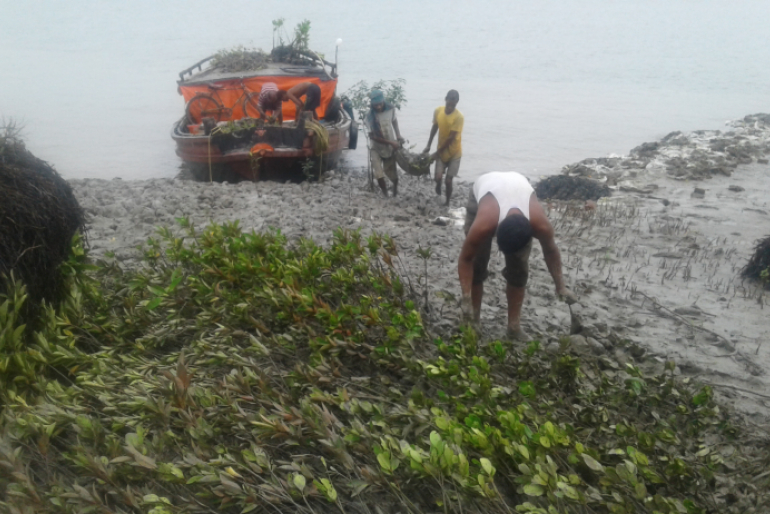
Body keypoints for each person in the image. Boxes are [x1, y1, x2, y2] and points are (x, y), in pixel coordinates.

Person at [458, 171, 578, 340]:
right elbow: (465, 259)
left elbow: (551, 250)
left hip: (518, 186)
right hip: (486, 188)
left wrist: (561, 286)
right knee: (477, 263)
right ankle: (474, 320)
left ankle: (513, 328)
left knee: (519, 269)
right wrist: (465, 297)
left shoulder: (540, 225)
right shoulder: (484, 225)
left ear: (531, 234)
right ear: (496, 231)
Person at [423, 90, 464, 206]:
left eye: (453, 104)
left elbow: (450, 138)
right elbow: (435, 127)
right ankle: (437, 184)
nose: (450, 106)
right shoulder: (438, 111)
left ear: (457, 103)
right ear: (445, 99)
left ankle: (447, 202)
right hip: (441, 151)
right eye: (449, 103)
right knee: (438, 178)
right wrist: (428, 145)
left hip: (454, 153)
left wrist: (436, 153)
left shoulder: (459, 117)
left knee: (449, 180)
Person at [365, 89, 404, 197]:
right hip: (376, 147)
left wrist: (398, 135)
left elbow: (394, 121)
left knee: (391, 173)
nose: (378, 107)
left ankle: (395, 190)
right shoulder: (369, 118)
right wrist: (391, 142)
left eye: (380, 104)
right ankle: (385, 193)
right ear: (372, 105)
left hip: (389, 146)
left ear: (383, 102)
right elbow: (373, 136)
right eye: (375, 105)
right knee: (378, 172)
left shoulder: (390, 109)